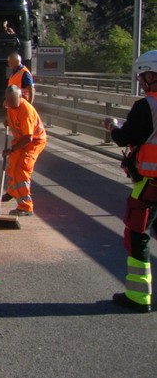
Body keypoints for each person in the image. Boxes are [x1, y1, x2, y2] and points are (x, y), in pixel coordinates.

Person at [103, 50, 157, 313]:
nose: (142, 82)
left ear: (150, 75)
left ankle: (138, 296)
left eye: (143, 76)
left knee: (137, 235)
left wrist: (112, 127)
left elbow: (124, 138)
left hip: (151, 185)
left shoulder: (146, 106)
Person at [3, 84, 47, 216]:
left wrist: (11, 149)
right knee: (12, 164)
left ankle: (25, 206)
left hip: (34, 141)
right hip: (21, 138)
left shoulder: (26, 111)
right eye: (8, 101)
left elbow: (28, 138)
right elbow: (12, 115)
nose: (10, 104)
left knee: (22, 169)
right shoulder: (10, 104)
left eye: (12, 101)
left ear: (20, 97)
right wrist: (8, 122)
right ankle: (12, 192)